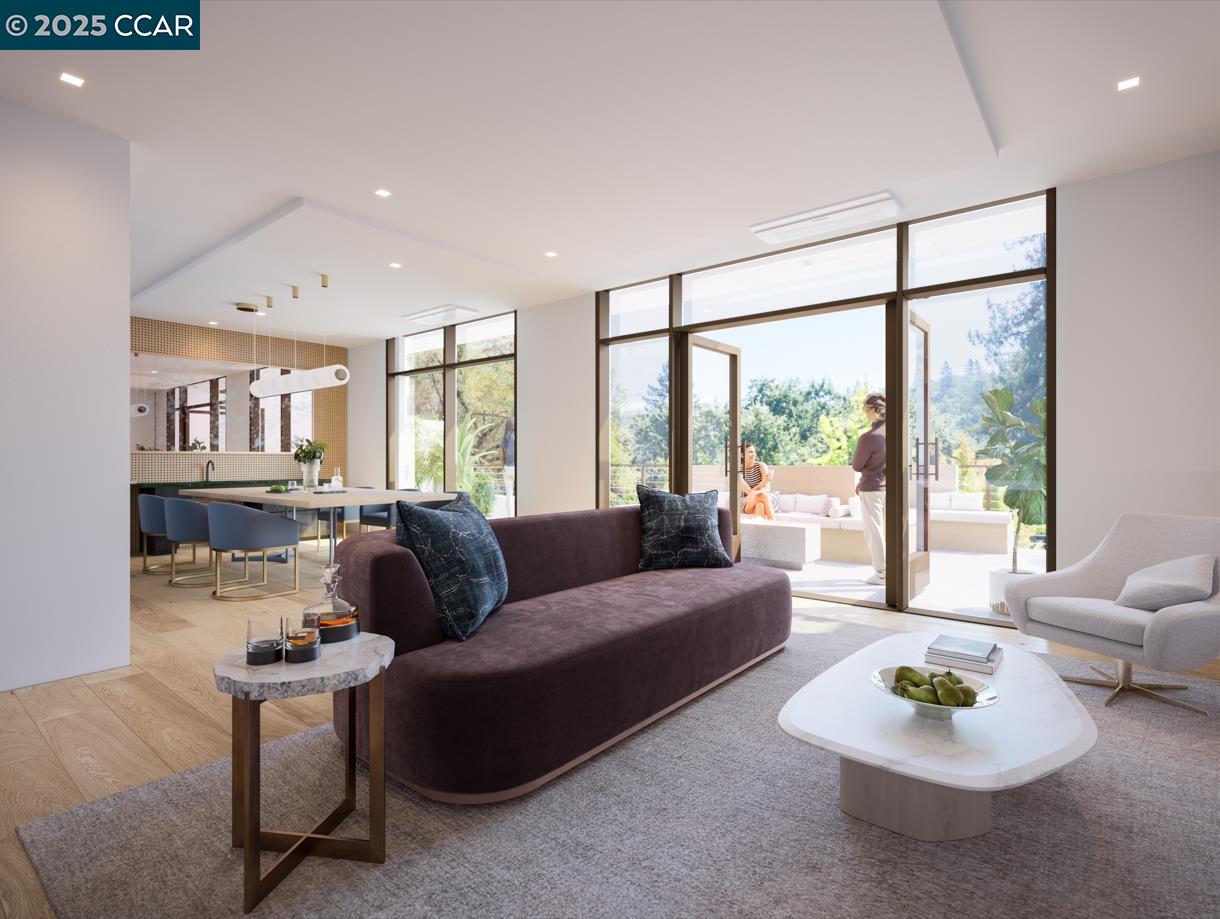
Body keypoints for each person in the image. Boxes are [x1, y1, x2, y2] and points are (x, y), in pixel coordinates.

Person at [852, 393, 887, 585]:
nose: (866, 415)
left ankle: (882, 574)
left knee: (875, 532)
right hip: (892, 489)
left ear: (873, 411)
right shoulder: (896, 433)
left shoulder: (868, 438)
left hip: (872, 490)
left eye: (866, 411)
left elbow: (857, 465)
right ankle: (893, 571)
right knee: (888, 532)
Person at [740, 442, 776, 521]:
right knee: (763, 496)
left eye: (754, 452)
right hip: (746, 502)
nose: (754, 454)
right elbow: (749, 493)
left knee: (760, 505)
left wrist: (757, 492)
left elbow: (767, 488)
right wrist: (763, 482)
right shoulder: (739, 470)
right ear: (742, 455)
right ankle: (774, 524)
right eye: (750, 452)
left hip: (761, 498)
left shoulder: (761, 466)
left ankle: (761, 531)